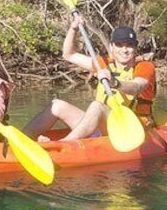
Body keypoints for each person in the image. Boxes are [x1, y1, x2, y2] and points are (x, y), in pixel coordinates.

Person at [23, 15, 156, 142]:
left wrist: (115, 83)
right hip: (103, 125)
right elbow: (68, 54)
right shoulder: (102, 64)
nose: (125, 50)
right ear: (111, 47)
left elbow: (137, 86)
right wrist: (73, 29)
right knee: (57, 105)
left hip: (129, 127)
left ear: (135, 47)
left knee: (97, 106)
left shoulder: (145, 67)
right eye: (119, 45)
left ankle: (63, 144)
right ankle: (21, 139)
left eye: (129, 45)